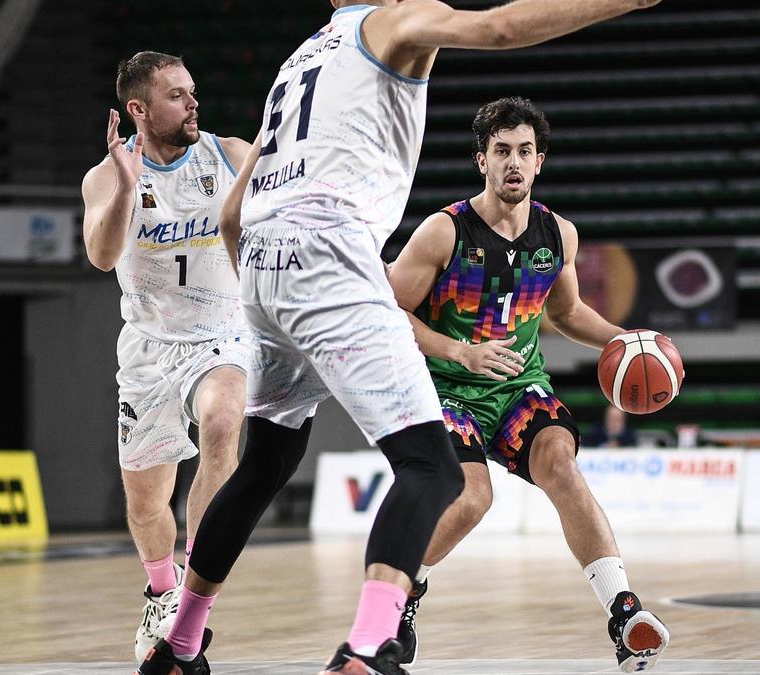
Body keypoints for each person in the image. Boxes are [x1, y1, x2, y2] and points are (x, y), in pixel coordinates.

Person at [135, 2, 664, 675]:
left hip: (264, 265)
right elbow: (501, 29)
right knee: (434, 469)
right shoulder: (391, 22)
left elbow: (234, 212)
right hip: (329, 255)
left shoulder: (300, 59)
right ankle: (366, 646)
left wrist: (263, 292)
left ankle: (179, 647)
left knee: (264, 463)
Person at [386, 97, 669, 673]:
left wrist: (627, 340)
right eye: (501, 152)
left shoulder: (558, 234)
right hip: (446, 387)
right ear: (481, 161)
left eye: (524, 151)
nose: (513, 162)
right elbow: (386, 311)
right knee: (472, 498)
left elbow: (565, 313)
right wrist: (458, 350)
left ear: (539, 161)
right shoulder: (443, 232)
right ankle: (401, 596)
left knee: (561, 463)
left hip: (519, 387)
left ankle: (623, 610)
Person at [80, 51, 253, 663]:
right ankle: (161, 591)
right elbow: (102, 256)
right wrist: (128, 187)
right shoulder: (107, 176)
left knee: (223, 420)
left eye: (193, 90)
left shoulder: (228, 153)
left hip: (220, 334)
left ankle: (193, 591)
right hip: (149, 348)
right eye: (178, 95)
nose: (193, 103)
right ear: (139, 109)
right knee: (147, 504)